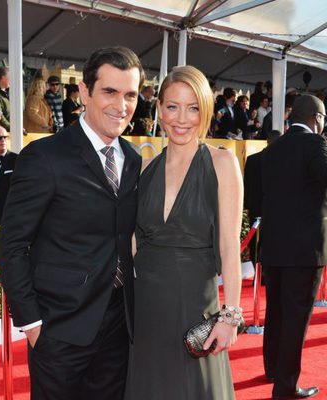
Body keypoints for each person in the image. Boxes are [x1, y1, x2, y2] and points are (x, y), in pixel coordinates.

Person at [0, 46, 144, 400]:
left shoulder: (133, 159)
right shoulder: (45, 156)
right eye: (109, 92)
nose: (121, 106)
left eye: (130, 95)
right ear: (84, 91)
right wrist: (32, 324)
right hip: (59, 328)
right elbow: (12, 244)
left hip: (117, 326)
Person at [125, 65, 243, 400]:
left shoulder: (222, 163)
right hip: (146, 311)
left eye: (193, 108)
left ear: (205, 111)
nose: (182, 118)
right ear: (159, 108)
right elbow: (133, 242)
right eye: (173, 106)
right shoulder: (145, 168)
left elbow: (230, 245)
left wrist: (230, 317)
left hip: (196, 311)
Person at [260, 94, 326, 400]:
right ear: (316, 118)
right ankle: (285, 386)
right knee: (296, 318)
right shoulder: (315, 145)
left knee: (276, 311)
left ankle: (273, 368)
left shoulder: (272, 150)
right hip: (305, 251)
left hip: (273, 246)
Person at [243, 130, 281, 269]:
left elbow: (245, 185)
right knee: (272, 241)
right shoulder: (281, 162)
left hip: (255, 207)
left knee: (254, 241)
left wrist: (246, 206)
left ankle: (255, 271)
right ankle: (266, 272)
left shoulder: (252, 159)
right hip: (275, 208)